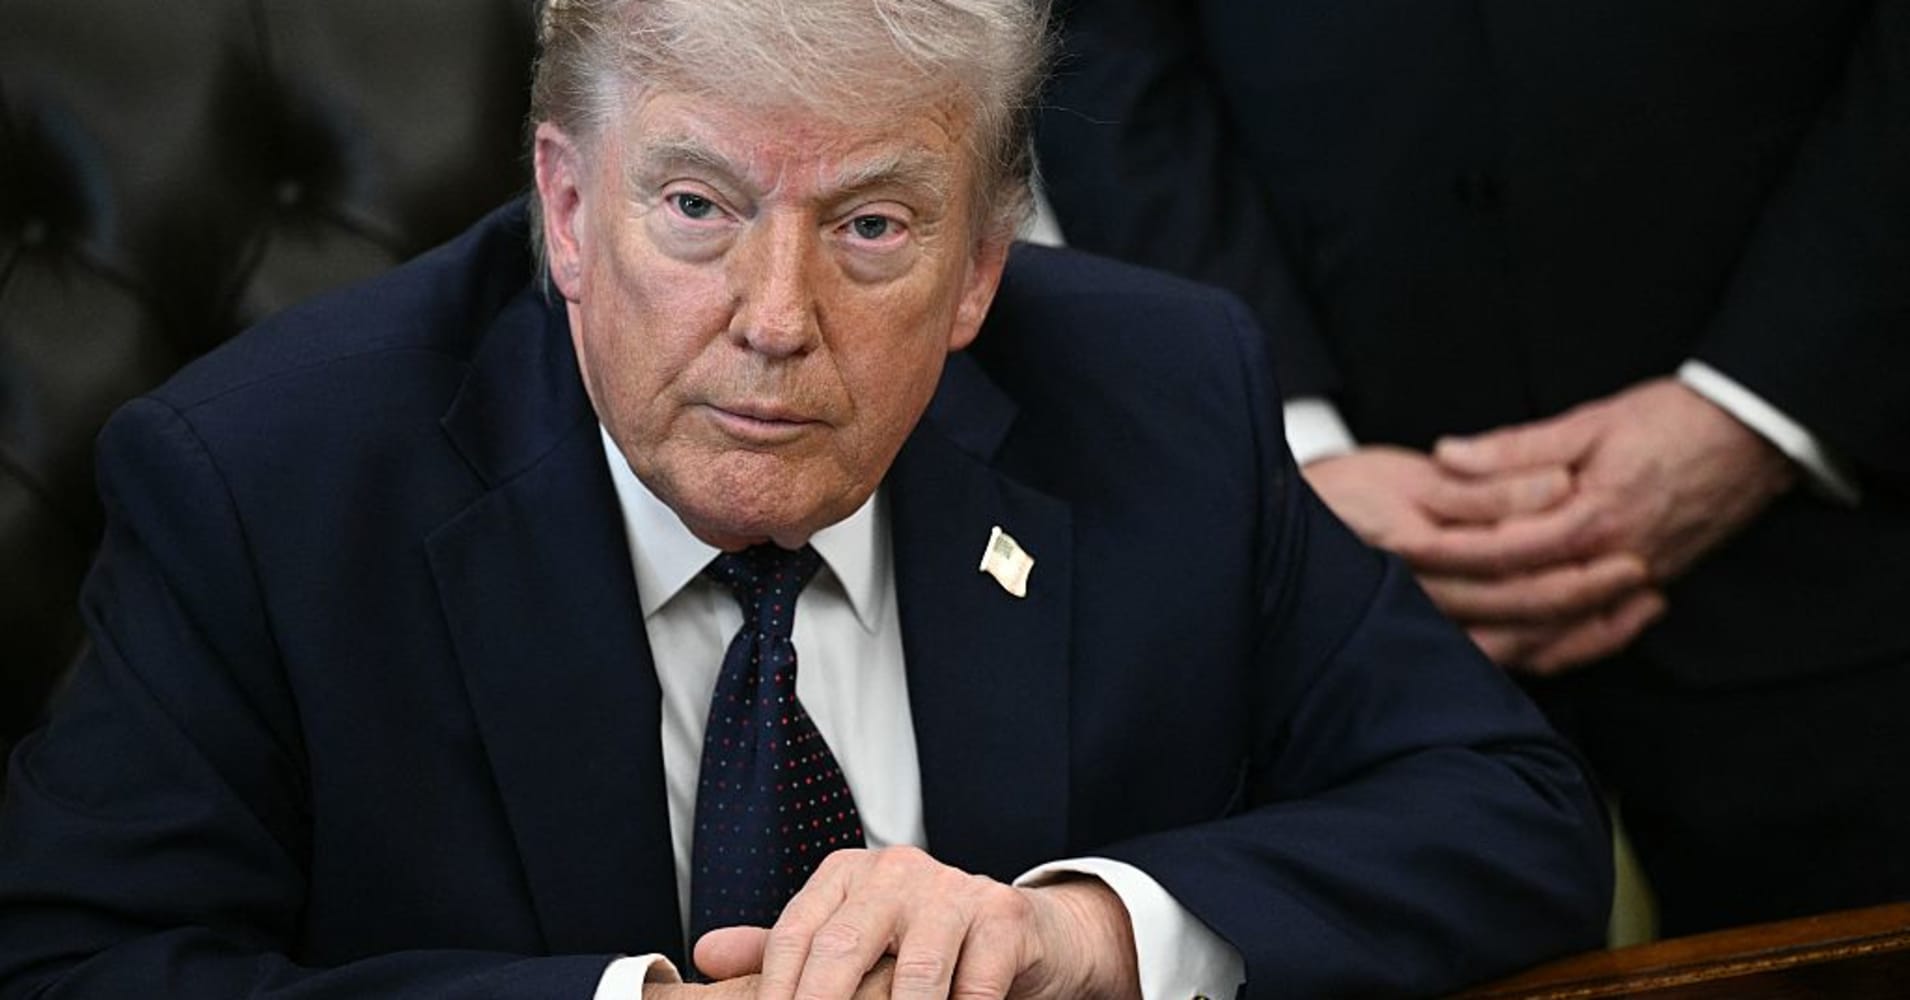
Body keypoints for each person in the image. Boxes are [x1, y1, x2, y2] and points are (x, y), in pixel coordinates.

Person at [0, 1, 1612, 997]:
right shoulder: (264, 481)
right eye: (696, 205)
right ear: (567, 210)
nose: (776, 316)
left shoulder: (1160, 395)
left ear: (982, 264)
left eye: (871, 228)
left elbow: (1513, 815)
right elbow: (79, 967)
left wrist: (1089, 940)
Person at [1036, 0, 1910, 937]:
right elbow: (1109, 42)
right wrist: (1284, 450)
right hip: (1338, 590)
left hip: (1837, 531)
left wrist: (1761, 405)